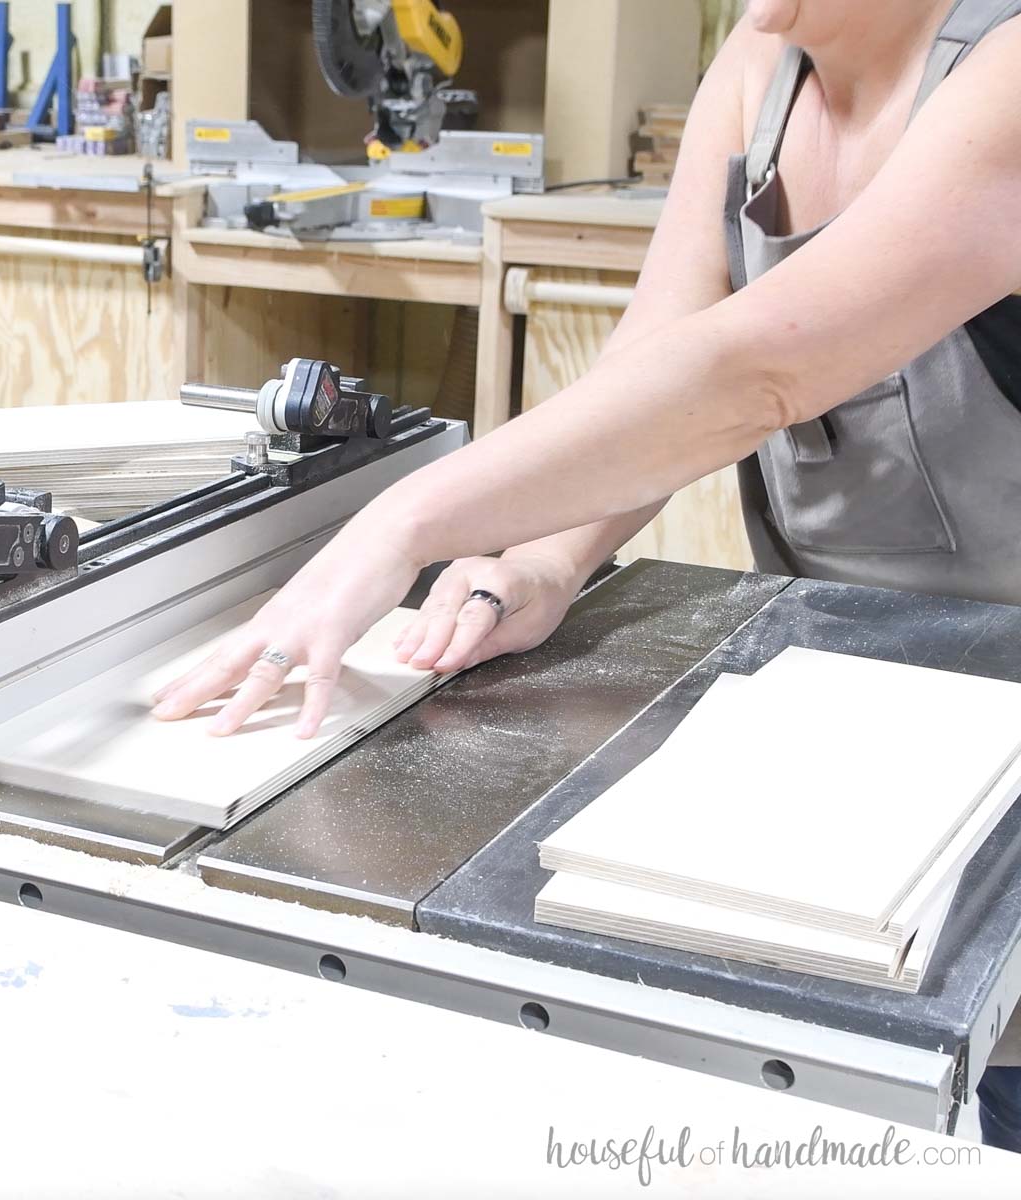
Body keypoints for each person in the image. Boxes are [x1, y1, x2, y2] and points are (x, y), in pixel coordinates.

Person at [151, 0, 1021, 1150]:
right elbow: (662, 356)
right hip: (846, 720)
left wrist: (400, 523)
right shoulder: (761, 65)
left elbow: (759, 370)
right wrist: (544, 558)